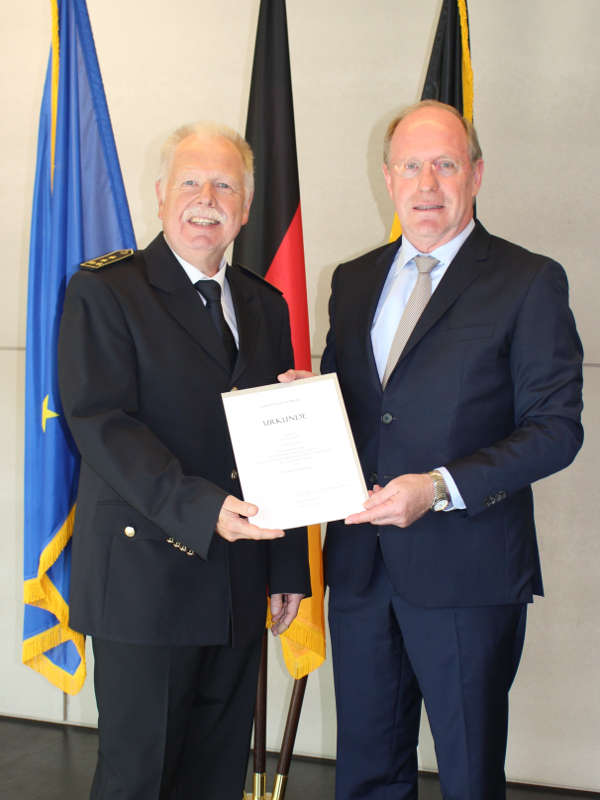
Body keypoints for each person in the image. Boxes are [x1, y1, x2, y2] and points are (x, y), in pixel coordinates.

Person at [283, 99, 583, 798]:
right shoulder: (353, 281)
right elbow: (367, 413)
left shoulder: (528, 280)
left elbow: (556, 427)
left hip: (467, 573)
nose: (427, 184)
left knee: (470, 776)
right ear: (387, 178)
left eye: (445, 165)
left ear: (476, 175)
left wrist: (440, 486)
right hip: (360, 568)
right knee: (365, 773)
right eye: (411, 166)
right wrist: (309, 405)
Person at [58, 121, 310, 800]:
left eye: (224, 184)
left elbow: (279, 441)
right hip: (146, 582)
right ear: (163, 193)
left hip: (237, 581)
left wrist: (287, 567)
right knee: (140, 779)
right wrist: (203, 508)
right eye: (192, 181)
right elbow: (101, 423)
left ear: (246, 208)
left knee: (214, 776)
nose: (207, 197)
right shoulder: (107, 291)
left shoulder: (264, 303)